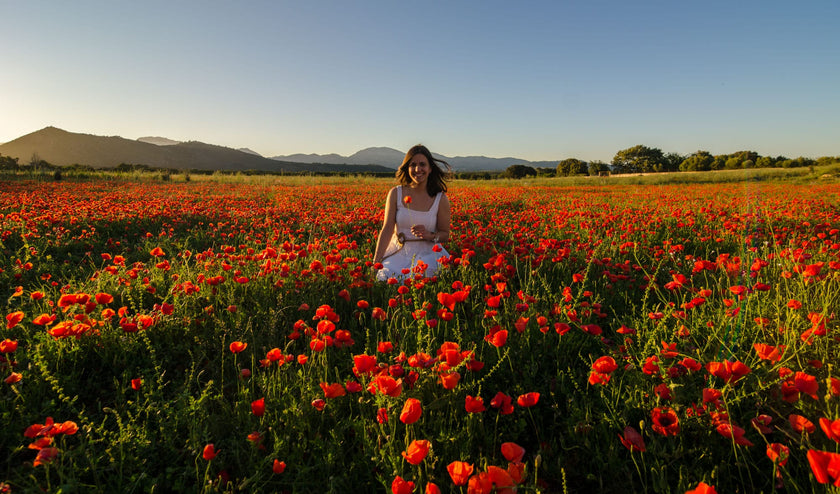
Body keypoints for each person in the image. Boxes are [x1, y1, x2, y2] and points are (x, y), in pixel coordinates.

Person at [373, 144, 451, 281]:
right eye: (413, 165)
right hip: (398, 253)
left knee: (422, 281)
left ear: (430, 168)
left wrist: (430, 235)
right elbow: (387, 229)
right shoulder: (396, 193)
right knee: (386, 278)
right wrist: (375, 263)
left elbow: (444, 235)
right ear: (407, 168)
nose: (417, 169)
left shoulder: (440, 199)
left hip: (428, 256)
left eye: (422, 164)